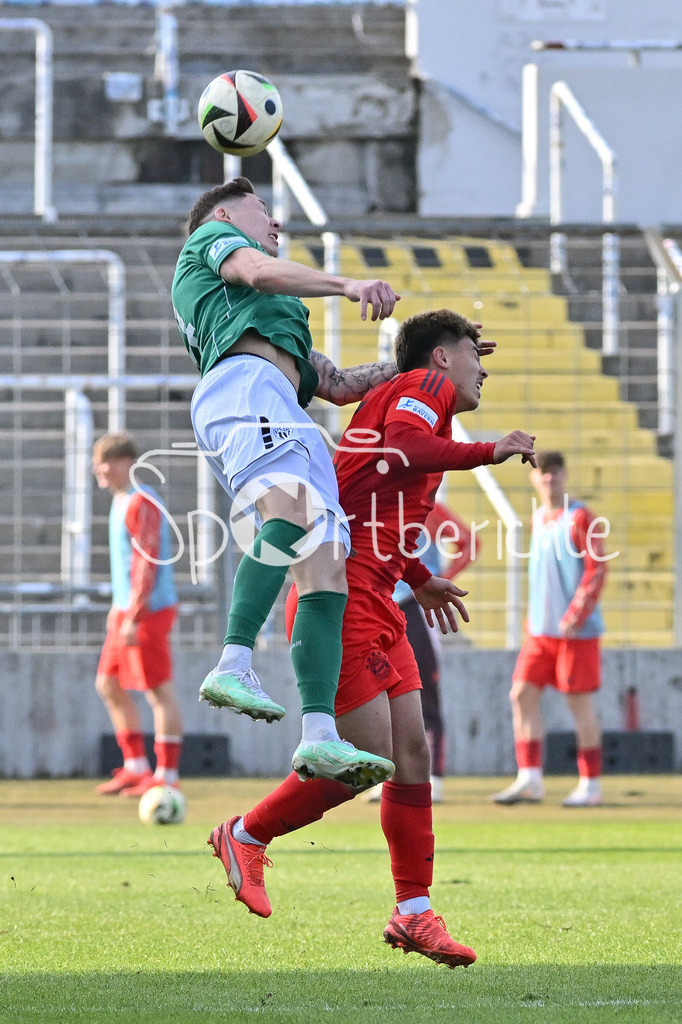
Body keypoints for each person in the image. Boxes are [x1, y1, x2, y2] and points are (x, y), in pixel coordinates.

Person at [206, 308, 537, 969]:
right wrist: (488, 449)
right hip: (343, 596)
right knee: (366, 760)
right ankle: (245, 834)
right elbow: (409, 452)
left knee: (410, 753)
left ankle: (413, 911)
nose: (483, 369)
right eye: (476, 355)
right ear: (442, 358)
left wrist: (420, 574)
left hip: (377, 592)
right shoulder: (427, 390)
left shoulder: (411, 395)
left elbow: (366, 502)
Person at [171, 176, 401, 790]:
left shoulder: (279, 318)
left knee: (325, 565)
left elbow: (342, 385)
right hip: (243, 389)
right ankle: (233, 659)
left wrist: (420, 366)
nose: (273, 224)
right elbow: (260, 269)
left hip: (279, 406)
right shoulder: (211, 242)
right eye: (263, 211)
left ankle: (320, 733)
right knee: (292, 513)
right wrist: (348, 283)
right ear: (223, 213)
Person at [492, 449, 608, 808]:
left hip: (575, 631)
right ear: (534, 478)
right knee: (521, 695)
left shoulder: (580, 516)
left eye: (555, 472)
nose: (549, 478)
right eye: (543, 472)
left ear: (564, 475)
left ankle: (590, 783)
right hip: (540, 631)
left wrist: (577, 612)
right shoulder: (539, 517)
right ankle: (530, 778)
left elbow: (597, 567)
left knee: (579, 704)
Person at [364, 502, 480, 803]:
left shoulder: (431, 510)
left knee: (425, 690)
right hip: (384, 605)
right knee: (385, 691)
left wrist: (441, 579)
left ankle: (434, 775)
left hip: (417, 607)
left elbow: (469, 543)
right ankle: (391, 774)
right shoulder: (382, 504)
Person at [92, 432, 183, 797]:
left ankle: (167, 774)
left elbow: (147, 560)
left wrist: (133, 613)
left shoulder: (141, 502)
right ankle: (135, 766)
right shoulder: (120, 501)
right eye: (98, 460)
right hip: (125, 609)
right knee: (108, 683)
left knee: (157, 689)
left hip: (147, 611)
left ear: (128, 462)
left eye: (107, 459)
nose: (99, 468)